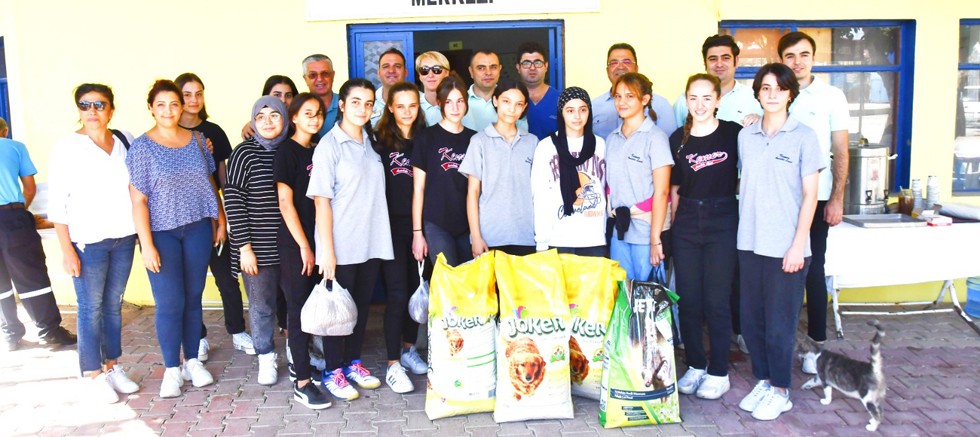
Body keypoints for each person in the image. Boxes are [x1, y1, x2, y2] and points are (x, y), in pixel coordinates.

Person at [127, 80, 225, 398]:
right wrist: (147, 245)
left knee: (194, 297)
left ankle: (192, 361)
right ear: (151, 108)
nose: (168, 110)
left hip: (197, 227)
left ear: (181, 106)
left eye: (174, 103)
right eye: (161, 104)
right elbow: (138, 200)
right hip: (161, 233)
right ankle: (172, 368)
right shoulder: (142, 147)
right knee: (170, 302)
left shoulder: (197, 140)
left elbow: (209, 183)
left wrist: (220, 219)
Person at [736, 63, 822, 421]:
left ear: (790, 94)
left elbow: (811, 196)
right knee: (752, 321)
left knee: (780, 324)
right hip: (749, 242)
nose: (772, 94)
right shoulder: (746, 136)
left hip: (787, 247)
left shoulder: (804, 136)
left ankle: (781, 390)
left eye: (779, 88)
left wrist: (798, 245)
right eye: (766, 88)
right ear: (758, 93)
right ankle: (764, 380)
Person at [48, 83, 139, 403]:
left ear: (111, 109)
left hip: (124, 237)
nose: (92, 111)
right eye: (85, 105)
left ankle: (112, 365)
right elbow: (57, 203)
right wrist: (67, 250)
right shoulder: (67, 147)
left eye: (99, 105)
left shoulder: (125, 140)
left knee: (113, 305)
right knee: (90, 307)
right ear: (79, 109)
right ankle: (92, 372)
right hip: (87, 242)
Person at [308, 79, 393, 401]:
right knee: (337, 312)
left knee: (358, 309)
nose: (362, 108)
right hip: (341, 244)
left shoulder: (370, 142)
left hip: (370, 241)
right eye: (355, 102)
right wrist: (326, 252)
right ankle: (332, 371)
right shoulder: (329, 145)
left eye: (368, 103)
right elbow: (321, 201)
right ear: (341, 105)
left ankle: (352, 363)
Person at [778, 31, 850, 375]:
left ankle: (816, 346)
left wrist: (836, 198)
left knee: (813, 270)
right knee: (779, 270)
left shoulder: (831, 96)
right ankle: (781, 340)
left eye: (804, 54)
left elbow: (841, 151)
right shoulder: (775, 92)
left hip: (818, 198)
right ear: (781, 60)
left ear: (814, 58)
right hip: (781, 200)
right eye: (790, 56)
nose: (797, 62)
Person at [669, 74, 741, 400]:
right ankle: (696, 364)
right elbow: (674, 189)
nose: (700, 105)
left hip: (722, 218)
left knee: (716, 300)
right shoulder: (677, 139)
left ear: (718, 100)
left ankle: (719, 371)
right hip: (686, 220)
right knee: (689, 299)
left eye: (707, 98)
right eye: (693, 98)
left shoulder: (734, 134)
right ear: (686, 101)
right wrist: (671, 229)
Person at [175, 72, 255, 361]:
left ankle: (237, 330)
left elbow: (224, 177)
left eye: (199, 93)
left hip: (214, 215)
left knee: (227, 277)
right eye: (187, 94)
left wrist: (226, 217)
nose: (194, 99)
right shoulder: (168, 135)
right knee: (191, 282)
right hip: (182, 219)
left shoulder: (213, 132)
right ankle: (197, 337)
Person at [225, 96, 293, 387]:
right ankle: (266, 356)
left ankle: (297, 352)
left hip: (291, 246)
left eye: (274, 115)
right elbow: (233, 200)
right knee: (262, 305)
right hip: (257, 248)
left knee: (295, 303)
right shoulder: (244, 153)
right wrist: (244, 248)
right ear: (253, 121)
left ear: (285, 119)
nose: (268, 122)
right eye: (261, 117)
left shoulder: (293, 148)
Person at [0, 116, 77, 353]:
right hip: (11, 218)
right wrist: (18, 210)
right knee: (32, 276)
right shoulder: (14, 147)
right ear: (4, 131)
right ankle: (49, 332)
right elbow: (30, 188)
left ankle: (10, 335)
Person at [373, 81, 430, 394]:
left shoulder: (426, 139)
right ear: (390, 108)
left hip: (420, 226)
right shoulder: (378, 141)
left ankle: (409, 348)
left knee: (415, 289)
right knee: (396, 294)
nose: (407, 112)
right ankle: (393, 363)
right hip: (389, 227)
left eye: (413, 105)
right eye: (401, 106)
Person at [276, 93, 331, 409]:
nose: (314, 118)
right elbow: (285, 202)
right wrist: (304, 246)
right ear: (294, 117)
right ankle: (302, 383)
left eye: (319, 113)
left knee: (316, 309)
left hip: (319, 241)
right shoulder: (287, 151)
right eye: (307, 113)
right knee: (297, 312)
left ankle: (309, 366)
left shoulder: (319, 149)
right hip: (296, 243)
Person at [605, 72, 673, 280]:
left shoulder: (655, 138)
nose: (621, 102)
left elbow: (662, 192)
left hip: (646, 232)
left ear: (645, 99)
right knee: (622, 292)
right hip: (620, 231)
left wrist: (655, 239)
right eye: (618, 96)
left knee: (647, 294)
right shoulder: (612, 138)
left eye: (629, 96)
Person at [460, 79, 537, 257]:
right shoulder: (479, 141)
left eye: (519, 104)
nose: (512, 109)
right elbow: (473, 192)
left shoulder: (532, 142)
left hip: (526, 235)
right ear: (495, 101)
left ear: (524, 107)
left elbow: (539, 193)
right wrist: (476, 236)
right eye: (506, 101)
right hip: (490, 236)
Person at [411, 74, 478, 267]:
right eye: (448, 102)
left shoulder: (475, 140)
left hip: (468, 224)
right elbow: (418, 189)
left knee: (470, 280)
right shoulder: (426, 138)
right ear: (439, 103)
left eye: (460, 101)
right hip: (436, 223)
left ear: (466, 103)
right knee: (447, 279)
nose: (455, 108)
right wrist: (417, 233)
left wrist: (477, 232)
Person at [530, 87, 607, 256]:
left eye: (583, 110)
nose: (577, 116)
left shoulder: (601, 145)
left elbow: (606, 190)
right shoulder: (546, 147)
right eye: (570, 110)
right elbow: (540, 197)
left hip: (594, 238)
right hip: (558, 239)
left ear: (589, 112)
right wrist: (541, 242)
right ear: (561, 113)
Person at [673, 35, 764, 126]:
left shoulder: (755, 98)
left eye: (726, 58)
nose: (719, 64)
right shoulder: (684, 101)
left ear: (736, 61)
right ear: (705, 63)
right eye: (713, 59)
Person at [593, 43, 677, 139]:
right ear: (607, 70)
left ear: (636, 68)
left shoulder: (661, 105)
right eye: (614, 63)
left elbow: (669, 142)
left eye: (627, 62)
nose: (620, 67)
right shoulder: (593, 107)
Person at [461, 50, 530, 133]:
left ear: (499, 69)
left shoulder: (513, 100)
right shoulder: (458, 102)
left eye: (493, 67)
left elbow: (523, 137)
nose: (488, 73)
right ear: (471, 71)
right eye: (481, 68)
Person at [516, 41, 559, 139]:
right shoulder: (510, 100)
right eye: (526, 63)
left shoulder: (560, 100)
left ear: (546, 66)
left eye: (537, 62)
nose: (532, 68)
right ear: (518, 67)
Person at [303, 54, 341, 136]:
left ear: (333, 76)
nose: (320, 79)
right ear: (305, 79)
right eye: (313, 75)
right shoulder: (299, 108)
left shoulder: (346, 105)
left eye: (325, 74)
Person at [370, 48, 409, 126]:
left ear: (405, 72)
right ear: (378, 73)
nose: (391, 71)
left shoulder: (421, 101)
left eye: (397, 66)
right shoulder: (369, 102)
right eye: (386, 66)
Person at [415, 51, 451, 126]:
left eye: (436, 69)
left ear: (446, 73)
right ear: (419, 76)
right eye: (424, 70)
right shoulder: (413, 105)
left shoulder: (456, 105)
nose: (430, 75)